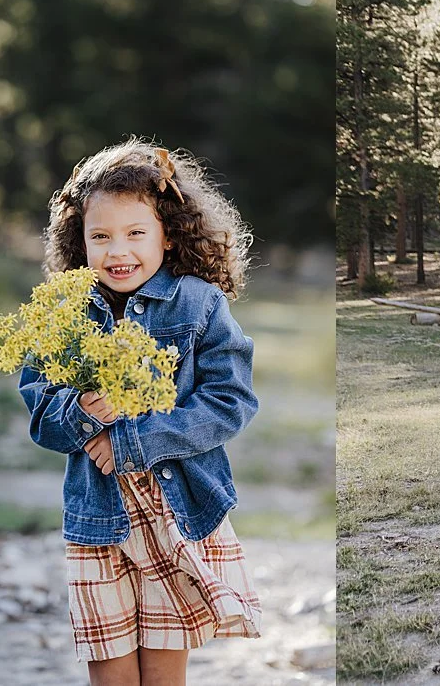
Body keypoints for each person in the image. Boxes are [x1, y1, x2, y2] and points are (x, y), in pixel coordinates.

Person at [18, 140, 262, 685]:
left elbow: (231, 401)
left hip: (177, 516)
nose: (117, 250)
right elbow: (41, 416)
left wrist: (134, 441)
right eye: (100, 236)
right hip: (98, 521)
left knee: (163, 675)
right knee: (111, 675)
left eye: (136, 233)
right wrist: (81, 410)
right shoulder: (65, 313)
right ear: (79, 242)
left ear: (168, 233)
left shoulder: (199, 304)